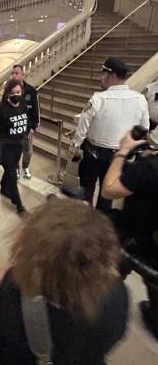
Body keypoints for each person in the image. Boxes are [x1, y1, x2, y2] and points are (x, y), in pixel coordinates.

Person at [0, 197, 128, 365]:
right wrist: (84, 226)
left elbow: (10, 340)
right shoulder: (116, 294)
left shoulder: (13, 292)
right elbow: (115, 337)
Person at [70, 57, 149, 212]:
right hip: (119, 156)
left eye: (103, 73)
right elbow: (144, 128)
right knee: (107, 194)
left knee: (87, 190)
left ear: (112, 76)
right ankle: (102, 224)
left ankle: (84, 220)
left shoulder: (99, 99)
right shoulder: (140, 99)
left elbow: (82, 129)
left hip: (94, 153)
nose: (101, 77)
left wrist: (75, 147)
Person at [102, 128, 158, 339]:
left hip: (133, 237)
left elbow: (109, 189)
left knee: (109, 277)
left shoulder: (148, 167)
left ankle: (101, 311)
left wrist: (123, 151)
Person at [0, 79, 28, 213]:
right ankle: (18, 204)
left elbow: (26, 119)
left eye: (18, 92)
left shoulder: (23, 104)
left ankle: (3, 187)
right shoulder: (1, 110)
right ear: (7, 93)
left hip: (18, 145)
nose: (16, 95)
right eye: (13, 93)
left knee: (11, 170)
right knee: (13, 175)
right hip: (6, 147)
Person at [11, 64, 40, 179]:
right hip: (14, 128)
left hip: (27, 128)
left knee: (28, 151)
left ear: (23, 75)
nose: (14, 76)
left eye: (16, 73)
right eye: (12, 73)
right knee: (15, 150)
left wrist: (33, 126)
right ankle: (16, 168)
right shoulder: (9, 91)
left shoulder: (31, 91)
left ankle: (25, 167)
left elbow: (36, 110)